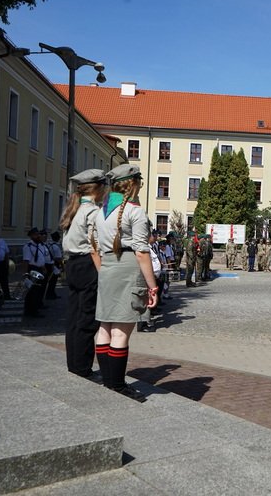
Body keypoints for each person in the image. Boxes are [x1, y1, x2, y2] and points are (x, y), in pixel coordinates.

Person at [95, 164, 158, 401]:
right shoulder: (135, 212)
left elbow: (94, 246)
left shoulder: (101, 211)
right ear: (133, 184)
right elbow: (142, 252)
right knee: (121, 331)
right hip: (128, 267)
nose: (141, 185)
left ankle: (107, 379)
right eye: (140, 181)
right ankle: (118, 385)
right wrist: (152, 286)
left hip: (108, 267)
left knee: (105, 327)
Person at [60, 168, 106, 379]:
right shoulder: (94, 212)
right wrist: (103, 274)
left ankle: (74, 363)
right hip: (88, 265)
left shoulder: (73, 209)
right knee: (88, 319)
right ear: (98, 188)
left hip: (72, 264)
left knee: (74, 316)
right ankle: (82, 367)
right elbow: (95, 247)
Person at [45, 231, 63, 300]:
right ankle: (50, 294)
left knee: (50, 280)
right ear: (58, 238)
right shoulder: (56, 247)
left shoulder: (49, 245)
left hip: (49, 263)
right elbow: (59, 258)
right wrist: (62, 266)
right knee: (53, 281)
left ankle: (52, 294)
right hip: (55, 264)